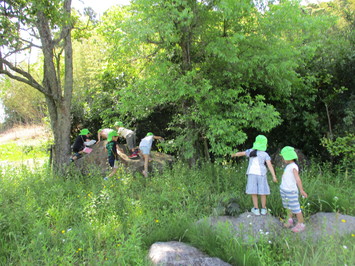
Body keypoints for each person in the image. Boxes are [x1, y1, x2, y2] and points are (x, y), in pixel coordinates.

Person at [231, 135, 277, 216]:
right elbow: (269, 165)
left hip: (252, 174)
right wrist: (274, 176)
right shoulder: (265, 154)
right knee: (263, 192)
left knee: (253, 191)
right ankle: (263, 209)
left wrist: (233, 154)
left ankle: (256, 209)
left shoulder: (250, 151)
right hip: (261, 174)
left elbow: (241, 153)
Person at [280, 146, 308, 233]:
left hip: (291, 191)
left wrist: (301, 190)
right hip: (284, 190)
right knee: (288, 206)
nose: (283, 159)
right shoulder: (289, 166)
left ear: (288, 157)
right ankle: (289, 219)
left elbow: (297, 179)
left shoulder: (293, 167)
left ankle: (301, 223)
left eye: (283, 157)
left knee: (295, 207)